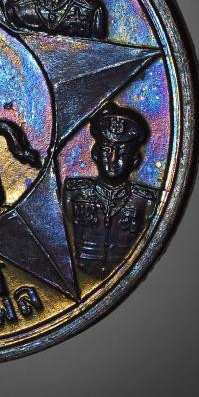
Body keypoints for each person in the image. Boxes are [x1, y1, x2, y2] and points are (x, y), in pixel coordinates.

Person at [63, 102, 158, 276]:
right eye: (107, 150)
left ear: (135, 160)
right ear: (95, 154)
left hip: (125, 274)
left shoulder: (145, 201)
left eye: (122, 153)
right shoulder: (74, 193)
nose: (113, 159)